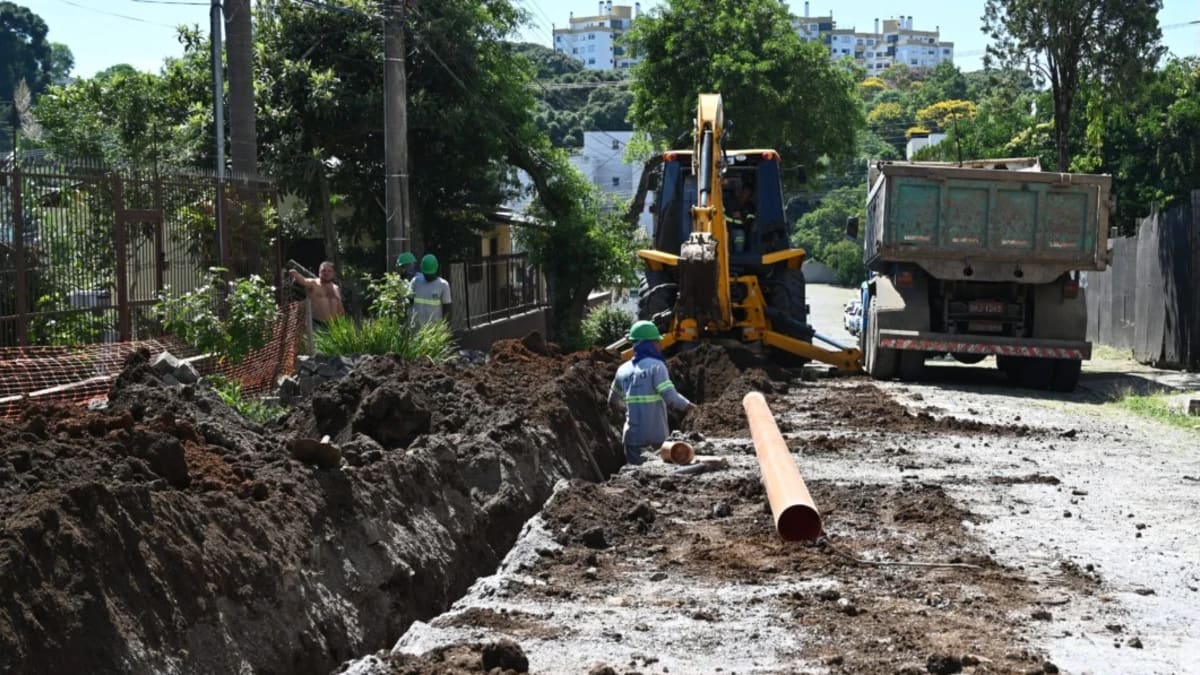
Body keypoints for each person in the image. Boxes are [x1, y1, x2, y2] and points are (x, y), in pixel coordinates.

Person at [608, 320, 696, 466]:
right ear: (648, 343)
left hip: (632, 438)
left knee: (634, 478)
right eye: (656, 342)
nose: (659, 345)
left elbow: (612, 401)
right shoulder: (656, 366)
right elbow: (671, 398)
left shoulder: (622, 370)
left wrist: (632, 412)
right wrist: (693, 409)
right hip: (656, 437)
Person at [289, 261, 344, 325]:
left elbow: (340, 307)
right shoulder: (313, 283)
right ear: (319, 272)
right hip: (316, 323)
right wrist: (296, 274)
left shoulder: (336, 288)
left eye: (329, 271)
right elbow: (303, 281)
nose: (326, 273)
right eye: (323, 270)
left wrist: (342, 323)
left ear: (333, 273)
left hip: (333, 325)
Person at [410, 254, 452, 325]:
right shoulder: (415, 282)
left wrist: (445, 328)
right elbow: (408, 302)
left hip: (434, 330)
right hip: (416, 328)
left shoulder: (443, 285)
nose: (428, 276)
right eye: (426, 274)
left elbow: (447, 309)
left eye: (430, 274)